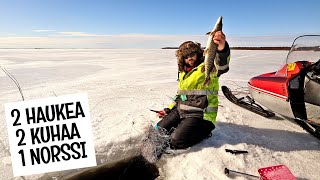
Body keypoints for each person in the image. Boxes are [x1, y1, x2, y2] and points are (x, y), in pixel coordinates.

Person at [155, 31, 230, 149]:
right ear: (182, 58)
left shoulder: (207, 67)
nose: (190, 57)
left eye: (192, 54)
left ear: (198, 53)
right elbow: (180, 95)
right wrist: (167, 109)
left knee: (175, 142)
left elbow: (222, 64)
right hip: (181, 111)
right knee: (157, 131)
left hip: (201, 115)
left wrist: (222, 47)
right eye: (186, 56)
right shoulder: (183, 72)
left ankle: (204, 132)